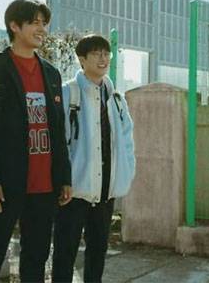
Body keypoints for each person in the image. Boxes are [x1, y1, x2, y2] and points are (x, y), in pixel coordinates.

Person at [0, 0, 72, 283]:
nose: (42, 29)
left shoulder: (51, 73)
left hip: (44, 184)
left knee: (36, 259)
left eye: (44, 23)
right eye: (35, 22)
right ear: (14, 26)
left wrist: (64, 176)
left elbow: (57, 129)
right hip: (4, 183)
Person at [51, 34, 135, 283]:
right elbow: (58, 141)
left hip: (105, 189)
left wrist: (126, 174)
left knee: (98, 250)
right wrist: (62, 179)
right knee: (65, 251)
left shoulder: (116, 98)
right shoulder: (69, 93)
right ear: (82, 59)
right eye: (96, 53)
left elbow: (127, 139)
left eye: (106, 54)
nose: (103, 58)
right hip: (73, 190)